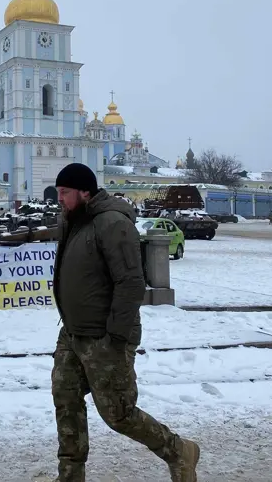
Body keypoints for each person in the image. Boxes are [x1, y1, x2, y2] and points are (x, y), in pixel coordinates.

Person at [51, 163, 199, 482]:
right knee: (66, 400)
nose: (58, 199)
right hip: (73, 333)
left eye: (64, 193)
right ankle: (70, 475)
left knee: (119, 414)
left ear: (84, 192)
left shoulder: (113, 223)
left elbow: (131, 283)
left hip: (105, 337)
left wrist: (116, 337)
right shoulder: (73, 221)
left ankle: (178, 451)